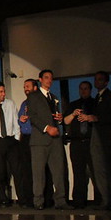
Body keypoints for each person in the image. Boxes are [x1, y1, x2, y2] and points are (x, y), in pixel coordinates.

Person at [27, 69, 73, 210]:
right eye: (46, 78)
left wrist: (59, 119)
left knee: (58, 171)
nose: (49, 80)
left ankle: (60, 200)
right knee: (39, 173)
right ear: (40, 79)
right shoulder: (33, 96)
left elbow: (54, 115)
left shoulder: (53, 97)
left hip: (55, 140)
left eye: (51, 78)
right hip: (40, 140)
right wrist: (47, 128)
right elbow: (33, 117)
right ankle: (38, 202)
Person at [80, 71, 111, 210]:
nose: (97, 82)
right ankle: (105, 200)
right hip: (97, 136)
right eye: (95, 79)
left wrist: (96, 118)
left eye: (100, 80)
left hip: (109, 138)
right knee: (99, 169)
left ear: (106, 82)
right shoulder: (96, 99)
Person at [63, 80, 98, 208]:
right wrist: (73, 114)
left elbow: (99, 118)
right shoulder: (73, 105)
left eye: (86, 88)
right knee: (78, 172)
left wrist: (89, 117)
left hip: (91, 142)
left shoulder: (95, 104)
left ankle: (99, 200)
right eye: (81, 89)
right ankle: (79, 201)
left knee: (95, 172)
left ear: (90, 90)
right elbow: (65, 122)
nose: (83, 91)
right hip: (76, 143)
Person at [17, 78, 38, 207]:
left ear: (35, 88)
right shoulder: (24, 103)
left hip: (36, 137)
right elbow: (19, 120)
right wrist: (21, 119)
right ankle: (29, 199)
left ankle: (40, 199)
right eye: (24, 87)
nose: (26, 89)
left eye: (28, 86)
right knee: (26, 169)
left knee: (38, 169)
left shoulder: (39, 102)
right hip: (25, 138)